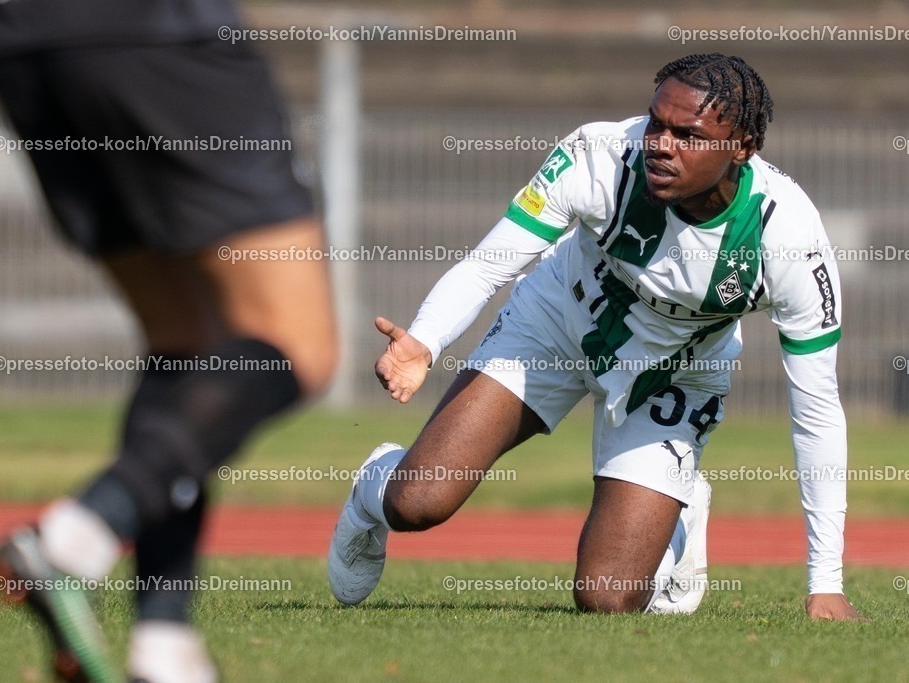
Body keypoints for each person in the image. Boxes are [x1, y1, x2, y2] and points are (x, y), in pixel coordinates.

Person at [329, 53, 865, 621]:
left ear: (743, 145)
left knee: (608, 598)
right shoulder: (597, 155)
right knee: (418, 504)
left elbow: (817, 408)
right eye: (656, 122)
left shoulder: (789, 238)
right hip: (556, 327)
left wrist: (825, 582)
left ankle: (676, 513)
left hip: (672, 375)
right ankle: (374, 487)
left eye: (689, 134)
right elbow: (490, 264)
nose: (661, 143)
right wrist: (426, 341)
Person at [0, 1, 337, 680]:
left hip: (22, 48)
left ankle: (162, 641)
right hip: (157, 32)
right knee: (296, 344)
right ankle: (78, 534)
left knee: (183, 340)